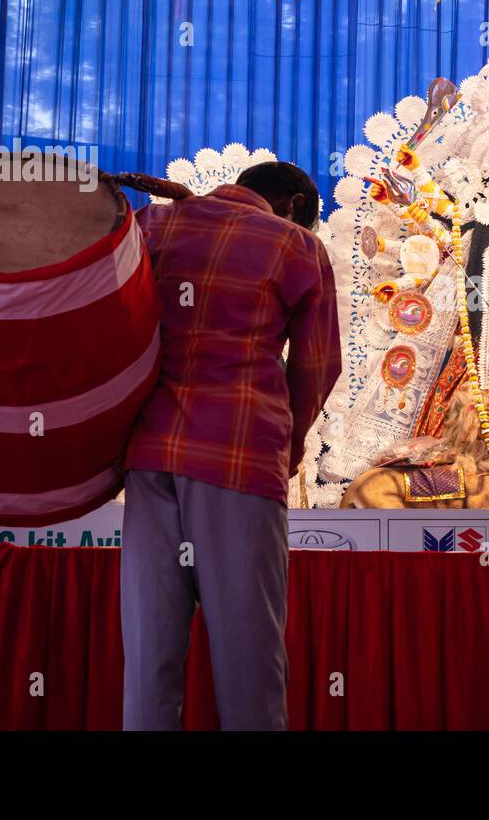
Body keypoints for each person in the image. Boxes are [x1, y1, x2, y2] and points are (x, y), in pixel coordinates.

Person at [120, 161, 341, 730]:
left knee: (148, 654)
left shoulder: (153, 224)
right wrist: (285, 450)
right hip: (240, 458)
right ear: (293, 205)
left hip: (150, 456)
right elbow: (318, 367)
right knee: (249, 659)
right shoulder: (295, 247)